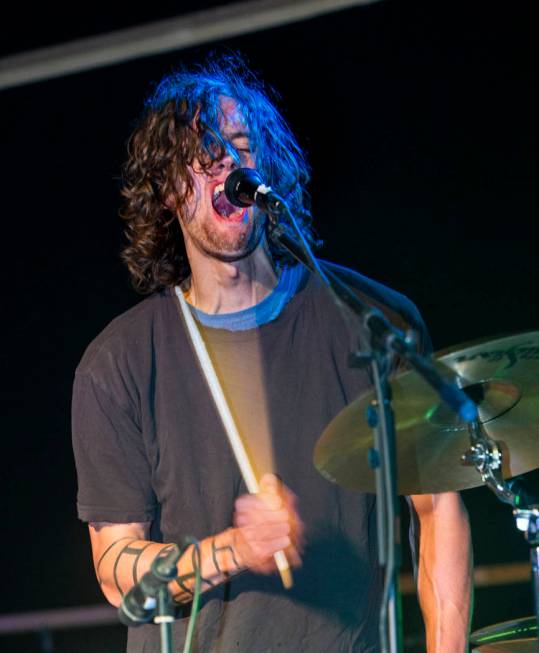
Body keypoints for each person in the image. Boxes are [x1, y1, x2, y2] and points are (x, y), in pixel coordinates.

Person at [72, 54, 472, 652]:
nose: (224, 164)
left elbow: (439, 504)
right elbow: (114, 571)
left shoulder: (368, 319)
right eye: (197, 156)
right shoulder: (119, 365)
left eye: (239, 145)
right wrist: (233, 549)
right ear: (166, 194)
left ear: (269, 170)